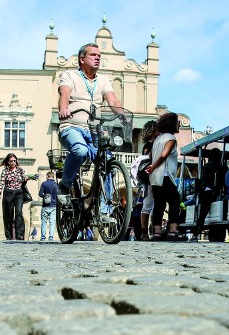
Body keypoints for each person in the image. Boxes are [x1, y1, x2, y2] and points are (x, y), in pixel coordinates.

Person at [56, 42, 123, 205]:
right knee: (80, 150)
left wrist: (123, 115)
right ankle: (65, 186)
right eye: (93, 55)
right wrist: (64, 108)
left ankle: (105, 210)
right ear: (82, 59)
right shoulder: (70, 75)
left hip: (94, 130)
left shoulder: (103, 80)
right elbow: (64, 92)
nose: (97, 58)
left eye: (99, 56)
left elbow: (112, 99)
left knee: (108, 162)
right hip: (71, 127)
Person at [146, 113, 181, 240]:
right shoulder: (170, 138)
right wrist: (154, 166)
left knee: (159, 204)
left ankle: (157, 232)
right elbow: (164, 154)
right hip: (165, 175)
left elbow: (151, 156)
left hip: (154, 177)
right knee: (175, 201)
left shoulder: (158, 139)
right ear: (172, 124)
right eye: (177, 122)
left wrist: (152, 167)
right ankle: (172, 230)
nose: (179, 125)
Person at [0, 153, 36, 240]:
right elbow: (2, 182)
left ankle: (20, 235)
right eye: (11, 161)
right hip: (8, 193)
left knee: (18, 213)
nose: (13, 162)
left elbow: (22, 180)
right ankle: (9, 235)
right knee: (8, 215)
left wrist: (27, 178)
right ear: (8, 162)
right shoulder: (5, 171)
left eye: (14, 161)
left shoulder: (20, 170)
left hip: (19, 193)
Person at [193, 148, 229, 240]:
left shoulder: (207, 166)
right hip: (220, 191)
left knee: (202, 214)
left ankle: (196, 232)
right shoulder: (223, 166)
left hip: (208, 192)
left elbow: (203, 180)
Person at [139, 120, 158, 240]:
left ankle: (148, 231)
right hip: (150, 178)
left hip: (151, 178)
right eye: (157, 130)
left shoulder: (148, 145)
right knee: (148, 205)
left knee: (151, 206)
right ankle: (145, 232)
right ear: (152, 131)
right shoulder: (150, 145)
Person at [38, 171, 57, 241]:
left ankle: (43, 237)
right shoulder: (56, 184)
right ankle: (51, 237)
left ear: (47, 176)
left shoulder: (44, 184)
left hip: (45, 205)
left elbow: (40, 194)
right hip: (54, 206)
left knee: (44, 222)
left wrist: (45, 196)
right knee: (52, 222)